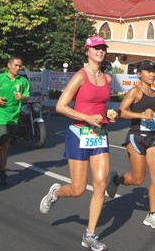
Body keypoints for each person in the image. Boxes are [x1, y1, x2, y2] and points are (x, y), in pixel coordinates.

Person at [39, 36, 117, 251]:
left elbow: (101, 107)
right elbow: (61, 106)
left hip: (99, 134)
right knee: (78, 189)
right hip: (78, 134)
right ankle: (55, 193)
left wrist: (109, 115)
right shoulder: (80, 76)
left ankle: (89, 235)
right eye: (96, 48)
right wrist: (87, 118)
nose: (100, 51)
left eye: (103, 48)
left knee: (100, 184)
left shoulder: (107, 78)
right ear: (87, 51)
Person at [106, 60, 155, 230]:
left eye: (154, 71)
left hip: (152, 137)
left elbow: (151, 114)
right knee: (138, 179)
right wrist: (142, 115)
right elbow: (121, 111)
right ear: (139, 74)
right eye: (148, 71)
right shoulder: (135, 91)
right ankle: (116, 180)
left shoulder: (154, 93)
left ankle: (151, 215)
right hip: (136, 137)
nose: (152, 74)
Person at [0, 55, 30, 186]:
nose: (18, 68)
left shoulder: (23, 81)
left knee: (5, 145)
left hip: (14, 116)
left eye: (20, 66)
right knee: (4, 143)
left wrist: (22, 97)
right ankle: (2, 173)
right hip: (0, 116)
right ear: (9, 65)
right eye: (16, 65)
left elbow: (27, 98)